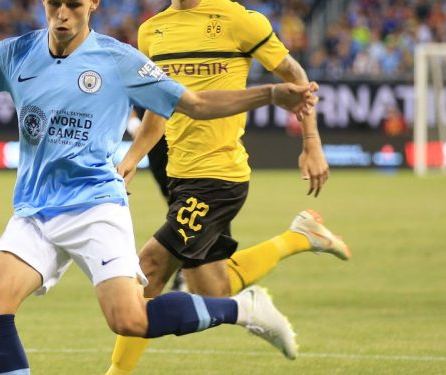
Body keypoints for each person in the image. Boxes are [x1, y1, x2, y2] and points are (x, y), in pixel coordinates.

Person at [0, 1, 318, 373]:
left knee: (130, 320)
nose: (62, 16)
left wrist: (270, 92)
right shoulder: (15, 53)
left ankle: (243, 309)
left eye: (74, 6)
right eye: (54, 5)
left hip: (94, 207)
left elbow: (194, 103)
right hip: (35, 209)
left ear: (94, 6)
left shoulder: (121, 60)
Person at [106, 1, 352, 374]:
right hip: (181, 175)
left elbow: (295, 75)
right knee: (212, 288)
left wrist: (312, 142)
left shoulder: (239, 20)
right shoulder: (151, 31)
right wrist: (132, 157)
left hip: (219, 177)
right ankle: (300, 236)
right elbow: (158, 104)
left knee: (147, 270)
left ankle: (117, 372)